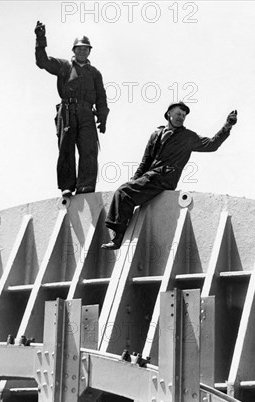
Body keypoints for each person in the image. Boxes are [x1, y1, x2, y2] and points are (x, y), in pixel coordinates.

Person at [101, 102, 237, 249]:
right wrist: (135, 180)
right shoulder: (156, 134)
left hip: (166, 178)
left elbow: (211, 145)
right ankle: (120, 233)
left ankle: (118, 237)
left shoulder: (188, 137)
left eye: (184, 116)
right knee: (124, 191)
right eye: (178, 114)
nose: (181, 118)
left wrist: (227, 126)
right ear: (169, 114)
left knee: (123, 192)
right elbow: (145, 161)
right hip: (150, 176)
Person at [34, 21, 109, 196]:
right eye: (79, 48)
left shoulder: (95, 73)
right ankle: (67, 186)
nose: (82, 51)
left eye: (86, 48)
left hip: (87, 113)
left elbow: (101, 96)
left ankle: (85, 186)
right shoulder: (64, 66)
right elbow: (43, 61)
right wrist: (40, 38)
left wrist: (103, 117)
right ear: (74, 50)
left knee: (89, 149)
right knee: (66, 148)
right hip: (67, 111)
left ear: (89, 51)